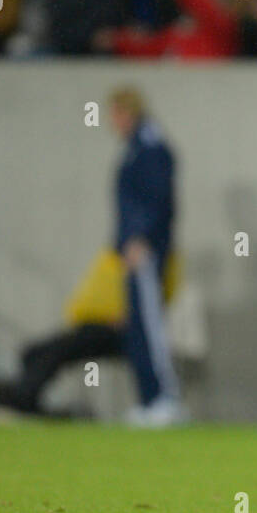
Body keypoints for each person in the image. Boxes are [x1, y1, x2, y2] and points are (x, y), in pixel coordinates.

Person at [108, 87, 186, 425]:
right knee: (137, 326)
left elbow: (156, 200)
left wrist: (141, 238)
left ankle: (164, 398)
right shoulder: (137, 146)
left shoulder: (151, 147)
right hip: (134, 249)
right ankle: (148, 398)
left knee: (150, 326)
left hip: (146, 251)